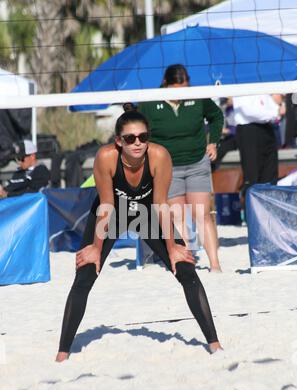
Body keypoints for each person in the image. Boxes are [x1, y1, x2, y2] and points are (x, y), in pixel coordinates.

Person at [56, 108, 223, 362]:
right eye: (130, 138)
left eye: (143, 137)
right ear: (118, 141)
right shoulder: (106, 157)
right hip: (111, 213)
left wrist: (172, 247)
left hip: (148, 213)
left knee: (186, 269)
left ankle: (214, 344)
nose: (137, 143)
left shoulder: (159, 156)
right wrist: (96, 249)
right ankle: (62, 353)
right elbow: (107, 206)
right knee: (86, 273)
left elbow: (160, 204)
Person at [138, 64, 224, 272]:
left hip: (196, 162)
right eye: (175, 88)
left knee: (201, 214)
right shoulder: (150, 102)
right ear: (166, 84)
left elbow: (217, 116)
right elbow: (137, 128)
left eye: (184, 87)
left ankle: (215, 265)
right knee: (176, 215)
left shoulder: (197, 97)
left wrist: (213, 142)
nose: (180, 93)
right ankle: (185, 263)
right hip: (168, 167)